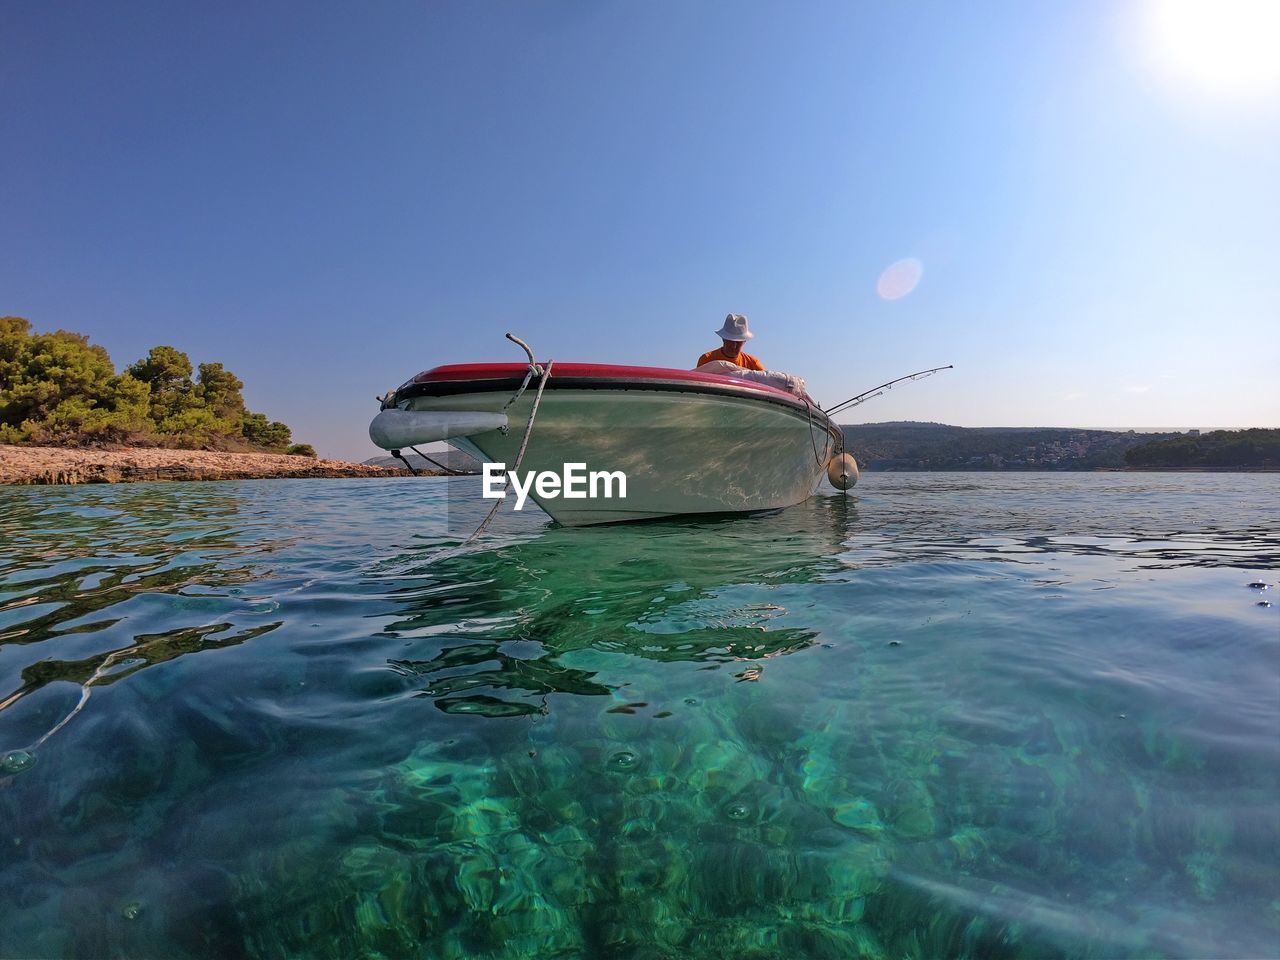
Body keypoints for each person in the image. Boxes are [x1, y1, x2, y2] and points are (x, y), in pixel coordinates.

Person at [697, 314, 765, 370]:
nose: (734, 346)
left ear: (744, 341)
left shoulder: (753, 364)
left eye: (738, 342)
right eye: (731, 341)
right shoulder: (706, 360)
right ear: (723, 338)